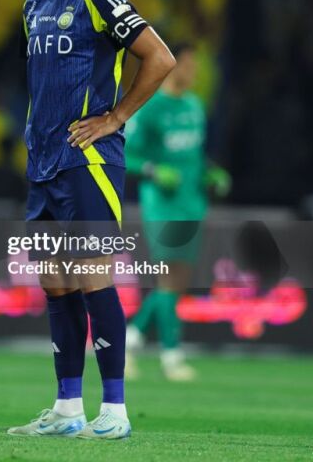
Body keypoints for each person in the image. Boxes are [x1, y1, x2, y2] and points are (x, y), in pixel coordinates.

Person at [7, 0, 175, 440]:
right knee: (55, 282)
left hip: (88, 160)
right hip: (44, 163)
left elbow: (160, 57)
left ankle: (116, 412)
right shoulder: (34, 5)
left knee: (91, 276)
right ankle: (66, 408)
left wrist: (116, 117)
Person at [124, 43, 231, 381]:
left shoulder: (195, 106)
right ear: (170, 64)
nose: (193, 71)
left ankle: (126, 343)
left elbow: (195, 155)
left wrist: (210, 172)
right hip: (162, 204)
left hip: (192, 203)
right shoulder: (149, 106)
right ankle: (171, 357)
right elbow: (125, 154)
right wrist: (154, 171)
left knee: (175, 283)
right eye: (187, 64)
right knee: (169, 280)